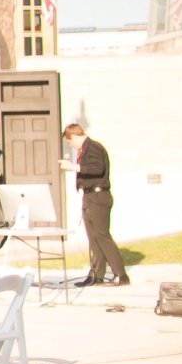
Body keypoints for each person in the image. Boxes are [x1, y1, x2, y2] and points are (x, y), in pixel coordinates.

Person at [63, 123, 127, 286]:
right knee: (93, 238)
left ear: (75, 136)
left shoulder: (94, 147)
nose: (71, 146)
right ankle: (96, 275)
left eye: (70, 142)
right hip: (89, 196)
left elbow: (97, 168)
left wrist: (73, 167)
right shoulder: (84, 150)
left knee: (102, 235)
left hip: (99, 196)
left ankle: (121, 274)